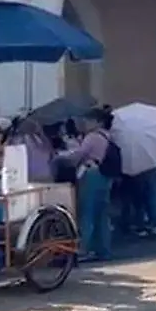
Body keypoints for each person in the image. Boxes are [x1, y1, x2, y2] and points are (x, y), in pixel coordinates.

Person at [57, 108, 115, 262]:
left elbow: (79, 155)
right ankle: (103, 249)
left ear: (98, 122)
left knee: (87, 212)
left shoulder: (92, 137)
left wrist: (60, 157)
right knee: (102, 214)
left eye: (88, 120)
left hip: (91, 174)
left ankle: (84, 249)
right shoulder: (108, 136)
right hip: (105, 175)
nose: (84, 123)